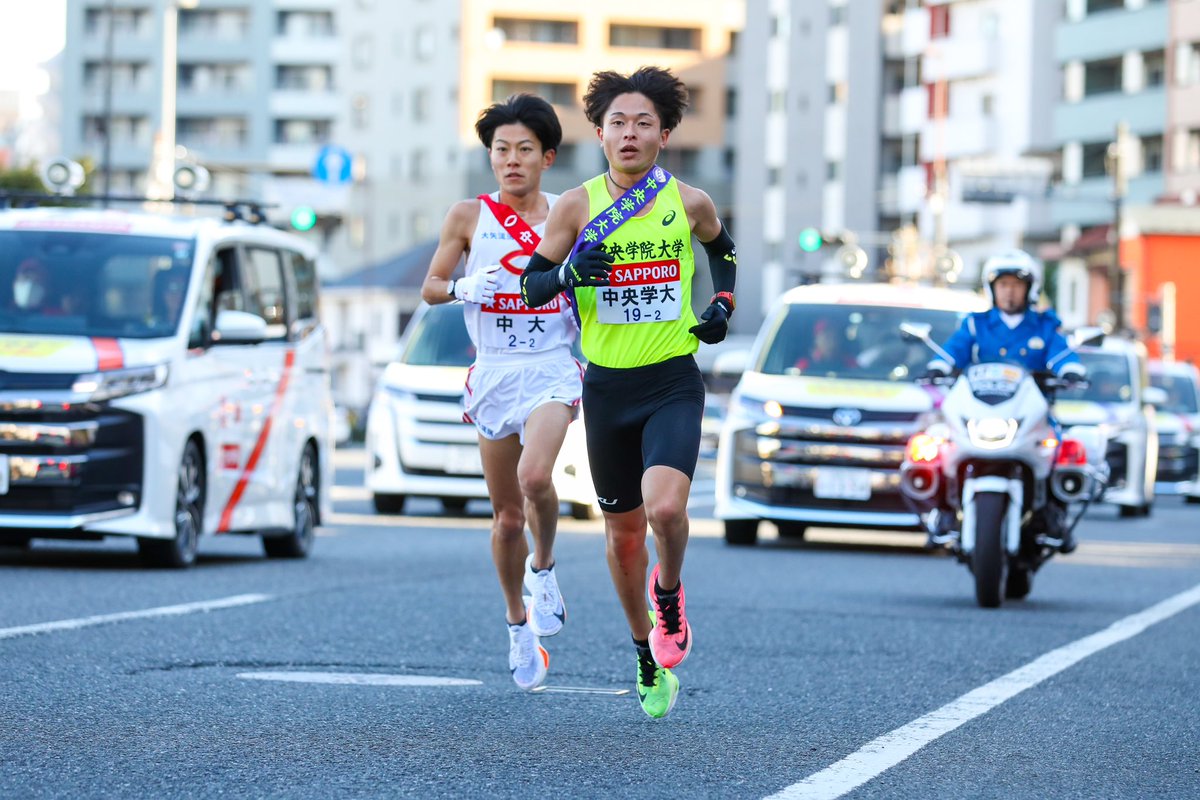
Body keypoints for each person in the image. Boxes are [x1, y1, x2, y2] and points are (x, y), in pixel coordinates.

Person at [520, 66, 737, 718]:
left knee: (665, 509)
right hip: (608, 388)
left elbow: (722, 251)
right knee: (621, 538)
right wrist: (566, 271)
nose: (630, 133)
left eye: (644, 122)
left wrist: (721, 304)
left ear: (664, 133)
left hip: (672, 377)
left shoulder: (689, 201)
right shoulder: (575, 206)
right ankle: (644, 651)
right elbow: (532, 287)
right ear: (600, 131)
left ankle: (667, 595)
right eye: (619, 122)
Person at [419, 94, 577, 692]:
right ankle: (518, 625)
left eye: (524, 151)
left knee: (537, 478)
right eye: (500, 151)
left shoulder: (572, 210)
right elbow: (431, 287)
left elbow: (600, 275)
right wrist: (466, 287)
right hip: (494, 370)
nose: (511, 161)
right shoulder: (467, 215)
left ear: (547, 156)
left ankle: (546, 570)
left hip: (550, 366)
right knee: (507, 517)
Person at [926, 249, 1085, 551]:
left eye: (1016, 285)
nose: (1009, 292)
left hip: (1031, 414)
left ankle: (1052, 515)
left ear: (1030, 290)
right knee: (939, 445)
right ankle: (944, 513)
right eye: (1003, 285)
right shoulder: (977, 324)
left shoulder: (1044, 325)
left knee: (1060, 449)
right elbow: (952, 351)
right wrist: (938, 366)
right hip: (981, 410)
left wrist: (1072, 371)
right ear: (992, 289)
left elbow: (1063, 355)